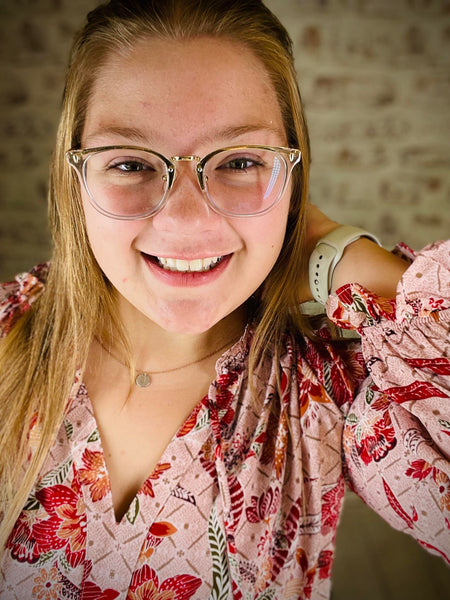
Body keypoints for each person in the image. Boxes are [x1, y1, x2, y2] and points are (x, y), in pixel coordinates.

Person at [0, 0, 448, 598]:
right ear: (73, 175)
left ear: (292, 175)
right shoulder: (8, 335)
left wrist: (336, 254)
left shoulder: (334, 382)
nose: (186, 221)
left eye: (240, 161)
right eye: (131, 162)